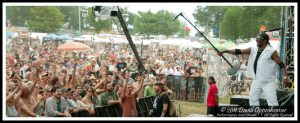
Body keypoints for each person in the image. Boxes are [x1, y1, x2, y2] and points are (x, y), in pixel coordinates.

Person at [218, 32, 289, 106]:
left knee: (272, 102)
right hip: (256, 80)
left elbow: (281, 65)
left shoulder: (271, 51)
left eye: (258, 39)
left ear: (265, 41)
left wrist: (285, 76)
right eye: (256, 39)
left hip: (268, 81)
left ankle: (274, 116)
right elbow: (238, 51)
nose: (257, 40)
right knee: (252, 99)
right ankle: (255, 114)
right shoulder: (253, 49)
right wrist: (225, 51)